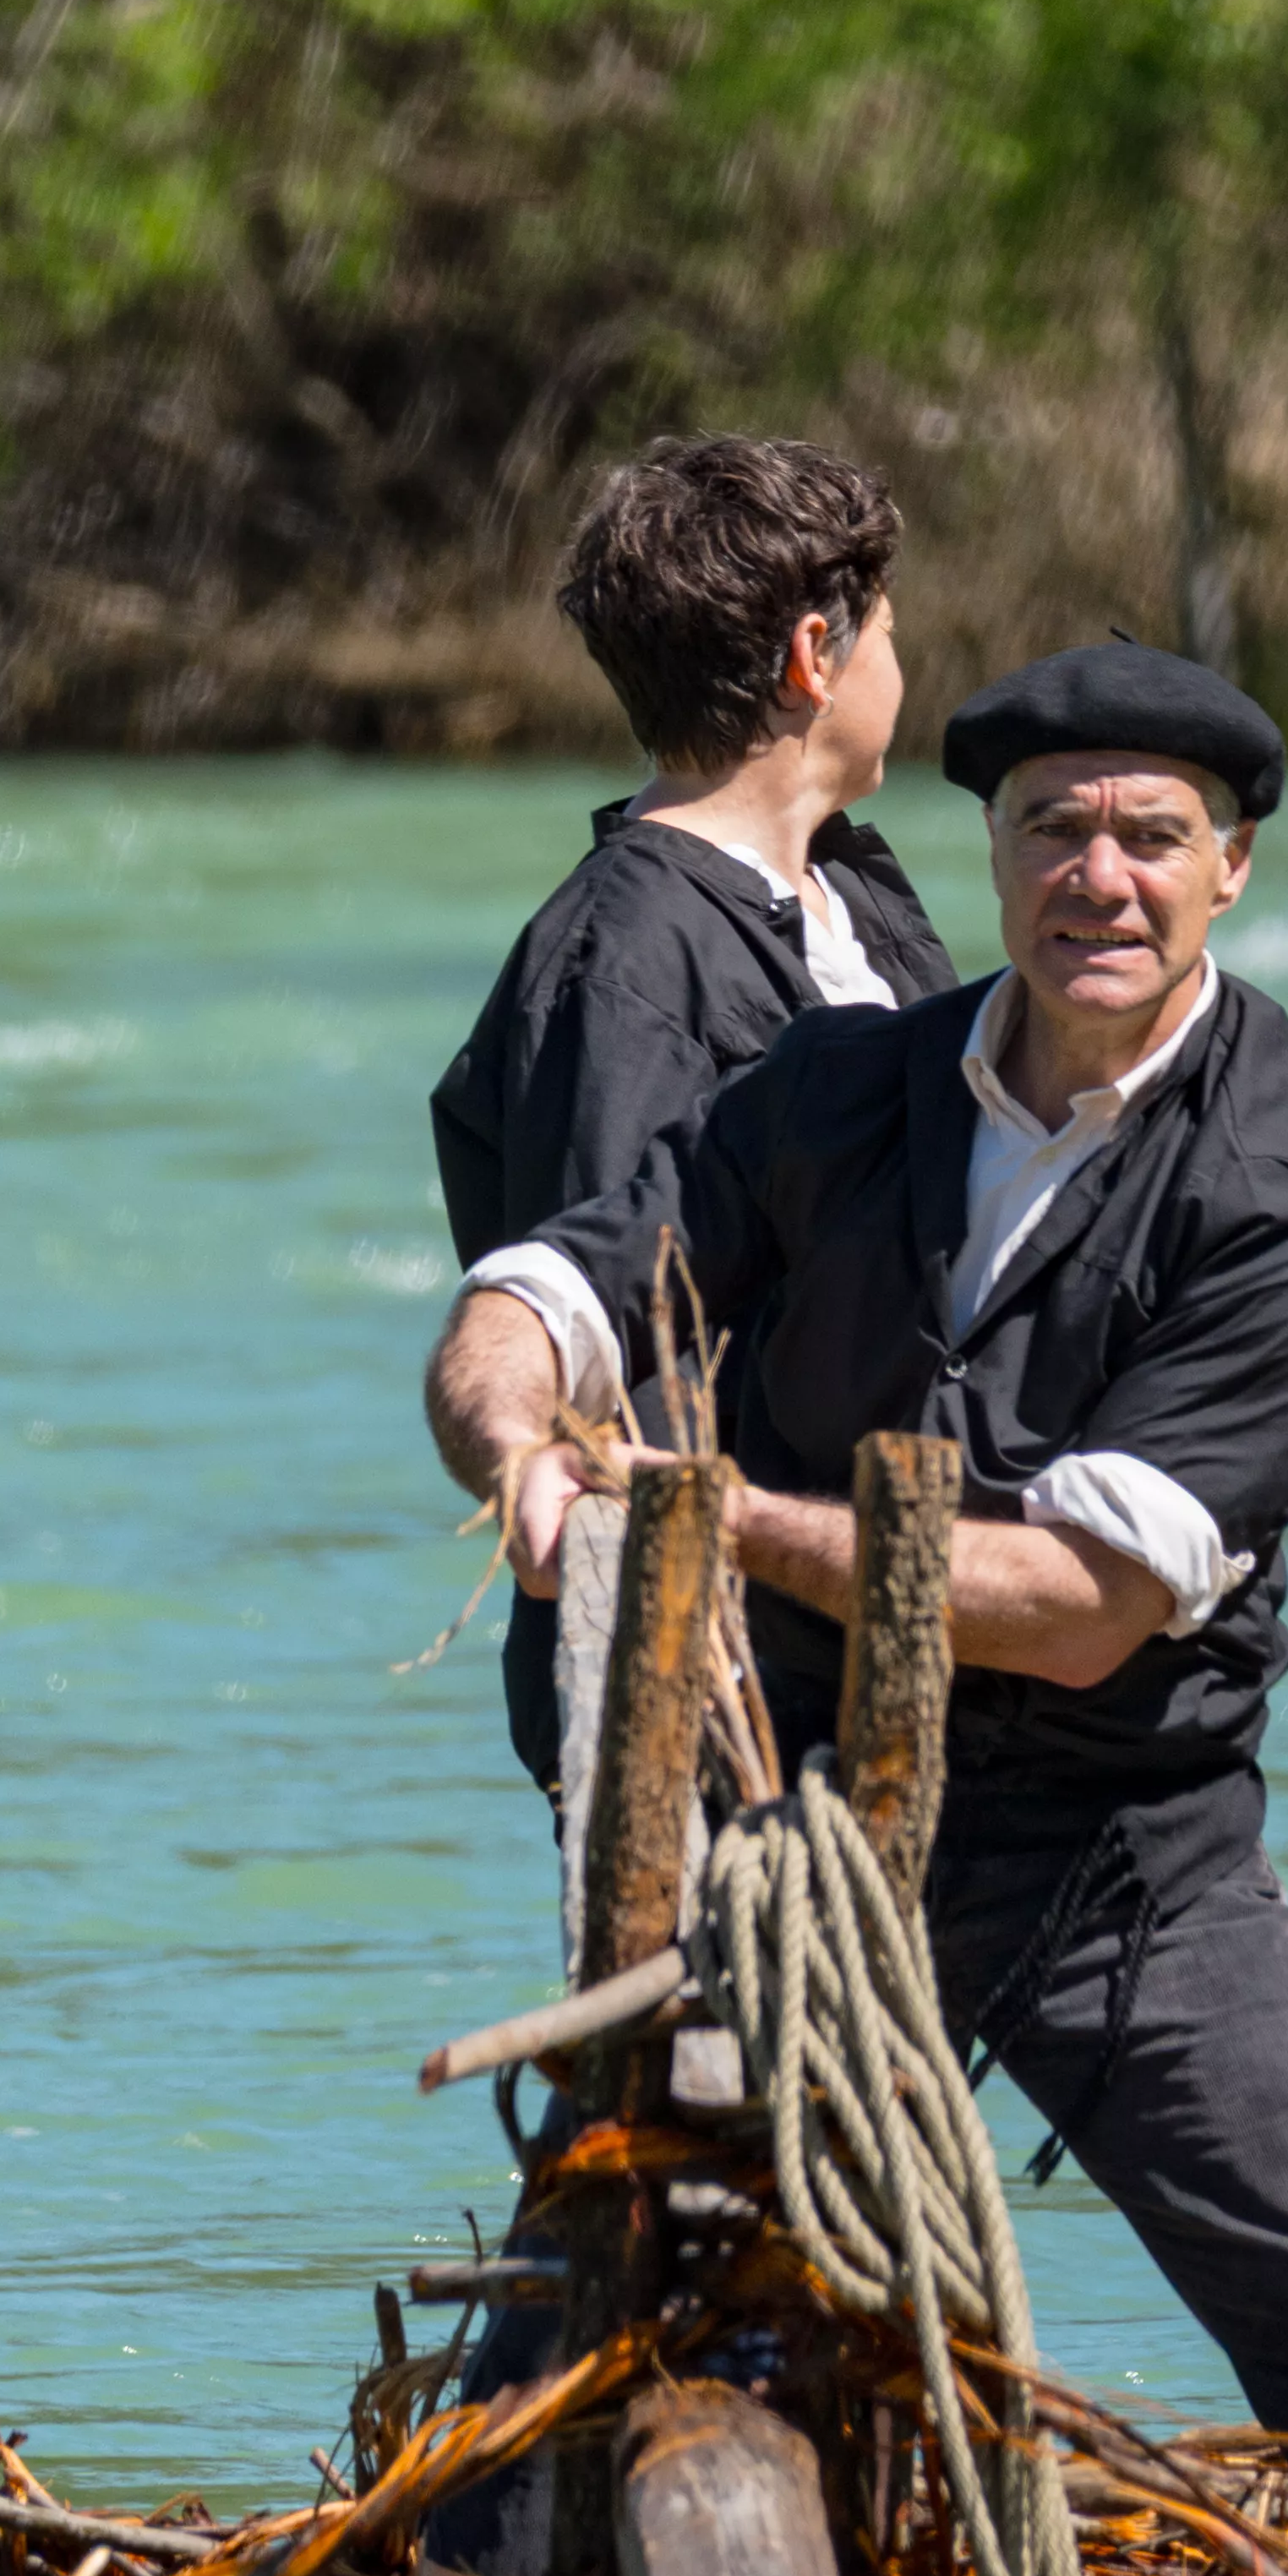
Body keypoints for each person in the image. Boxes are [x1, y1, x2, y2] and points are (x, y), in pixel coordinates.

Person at [426, 644, 1288, 2576]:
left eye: (1147, 836)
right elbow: (553, 1282)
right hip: (816, 1859)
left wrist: (720, 1514)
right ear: (997, 857)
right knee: (594, 2306)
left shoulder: (1278, 1195)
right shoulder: (844, 1086)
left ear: (1231, 870)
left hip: (1121, 1862)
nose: (1095, 876)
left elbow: (1077, 1594)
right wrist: (521, 1439)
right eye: (1052, 830)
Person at [428, 433, 958, 1790]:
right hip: (713, 1686)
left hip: (868, 1633)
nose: (905, 665)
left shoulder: (855, 892)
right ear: (813, 656)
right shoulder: (627, 959)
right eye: (886, 630)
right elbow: (628, 1331)